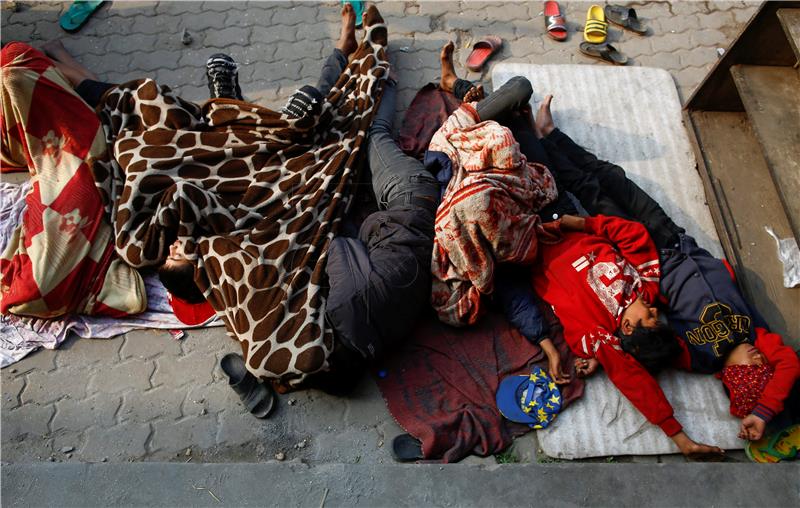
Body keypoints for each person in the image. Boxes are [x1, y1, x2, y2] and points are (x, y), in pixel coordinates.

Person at [516, 94, 799, 453]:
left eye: (754, 370)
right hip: (671, 239)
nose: (761, 359)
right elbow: (790, 364)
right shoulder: (755, 333)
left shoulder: (694, 356)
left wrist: (747, 417)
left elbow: (634, 367)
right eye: (763, 365)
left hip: (641, 256)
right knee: (611, 177)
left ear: (734, 376)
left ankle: (542, 142)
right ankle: (552, 135)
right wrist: (766, 406)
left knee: (587, 188)